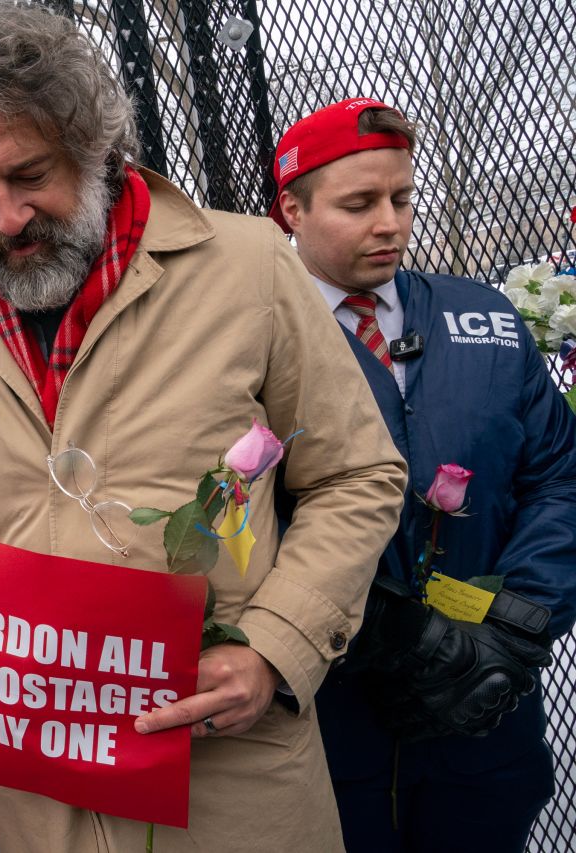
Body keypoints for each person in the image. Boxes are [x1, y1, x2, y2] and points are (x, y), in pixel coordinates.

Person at [0, 3, 407, 850]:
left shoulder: (245, 267)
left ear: (92, 146)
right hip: (46, 794)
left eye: (29, 174)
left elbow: (358, 474)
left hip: (232, 786)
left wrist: (275, 648)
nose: (8, 216)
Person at [271, 98, 576, 852]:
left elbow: (559, 476)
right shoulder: (254, 337)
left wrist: (510, 625)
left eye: (402, 198)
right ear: (291, 209)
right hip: (334, 729)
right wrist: (368, 629)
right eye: (359, 203)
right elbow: (234, 513)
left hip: (484, 718)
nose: (391, 223)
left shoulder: (488, 319)